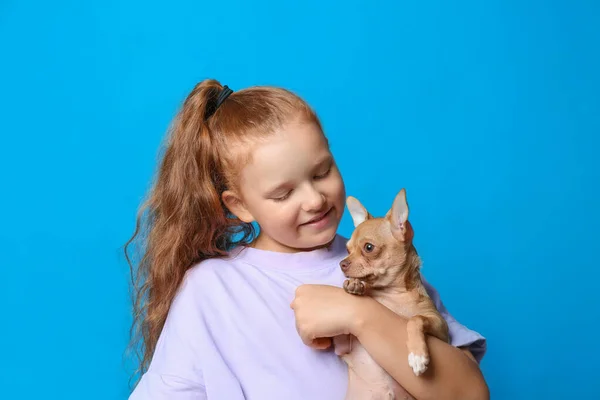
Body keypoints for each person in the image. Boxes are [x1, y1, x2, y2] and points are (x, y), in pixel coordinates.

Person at [125, 79, 489, 400]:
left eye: (322, 171)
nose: (314, 200)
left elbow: (470, 393)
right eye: (283, 194)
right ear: (240, 206)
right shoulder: (212, 291)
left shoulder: (379, 261)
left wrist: (360, 314)